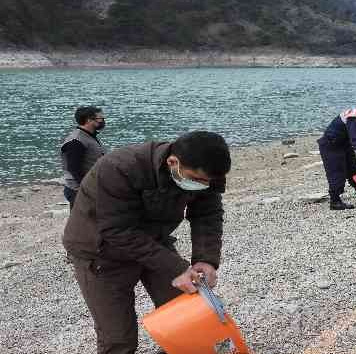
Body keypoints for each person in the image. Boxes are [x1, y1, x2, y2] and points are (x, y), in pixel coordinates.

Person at [62, 131, 231, 354]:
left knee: (190, 314)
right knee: (118, 338)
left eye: (209, 182)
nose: (204, 185)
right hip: (100, 251)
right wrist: (179, 268)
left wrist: (206, 260)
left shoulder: (207, 173)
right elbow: (117, 230)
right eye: (198, 180)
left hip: (154, 241)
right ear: (173, 162)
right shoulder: (118, 168)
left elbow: (207, 214)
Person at [60, 106, 107, 209]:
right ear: (89, 120)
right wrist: (86, 188)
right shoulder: (76, 141)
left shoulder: (89, 136)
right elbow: (73, 168)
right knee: (81, 223)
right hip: (78, 190)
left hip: (90, 187)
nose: (103, 121)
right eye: (100, 119)